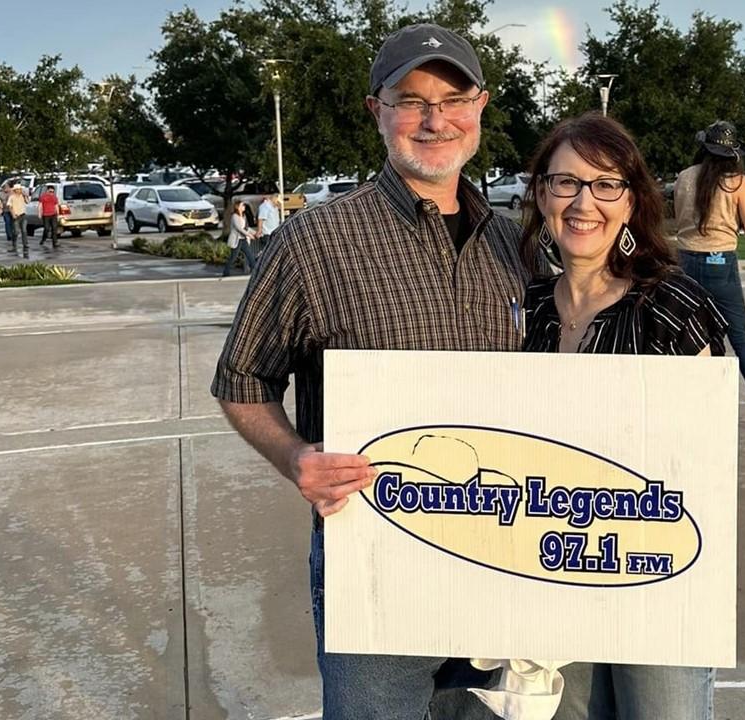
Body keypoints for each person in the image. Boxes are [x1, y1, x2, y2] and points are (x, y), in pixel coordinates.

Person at [211, 23, 532, 720]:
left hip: (505, 561)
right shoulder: (315, 241)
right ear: (376, 111)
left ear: (480, 106)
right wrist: (297, 456)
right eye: (410, 99)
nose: (434, 119)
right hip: (377, 562)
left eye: (453, 97)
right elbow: (241, 380)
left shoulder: (517, 246)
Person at [518, 112, 725, 720]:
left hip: (654, 579)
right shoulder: (518, 310)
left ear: (632, 202)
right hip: (552, 573)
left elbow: (704, 466)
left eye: (606, 184)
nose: (585, 202)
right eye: (566, 183)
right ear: (540, 193)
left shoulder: (675, 307)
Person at [672, 120, 745, 431]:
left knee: (693, 336)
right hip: (721, 262)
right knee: (740, 336)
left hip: (685, 262)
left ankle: (697, 408)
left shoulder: (683, 178)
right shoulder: (737, 182)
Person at [221, 200, 259, 276]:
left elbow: (246, 228)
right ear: (238, 207)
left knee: (250, 255)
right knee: (233, 257)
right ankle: (226, 272)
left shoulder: (243, 216)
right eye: (242, 205)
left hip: (243, 240)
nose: (244, 207)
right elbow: (239, 228)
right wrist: (249, 235)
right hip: (237, 240)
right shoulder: (234, 216)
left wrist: (255, 233)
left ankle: (255, 271)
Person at [7, 184, 29, 251]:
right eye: (17, 189)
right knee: (16, 232)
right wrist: (13, 214)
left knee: (24, 231)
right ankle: (14, 245)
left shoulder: (22, 196)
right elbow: (9, 207)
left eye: (20, 189)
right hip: (16, 216)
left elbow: (27, 202)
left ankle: (25, 245)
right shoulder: (11, 197)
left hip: (23, 215)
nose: (19, 190)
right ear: (15, 190)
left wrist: (25, 195)